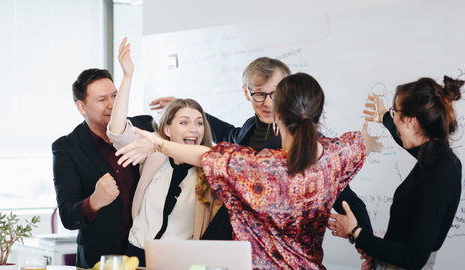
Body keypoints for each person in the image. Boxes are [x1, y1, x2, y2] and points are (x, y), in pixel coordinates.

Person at [116, 72, 376, 270]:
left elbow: (204, 155)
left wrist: (159, 143)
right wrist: (381, 119)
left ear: (278, 116)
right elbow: (361, 144)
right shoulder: (335, 156)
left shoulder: (262, 167)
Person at [151, 57, 374, 234]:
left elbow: (345, 195)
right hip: (233, 244)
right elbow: (227, 133)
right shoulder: (248, 128)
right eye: (259, 94)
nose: (267, 102)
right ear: (246, 92)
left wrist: (364, 239)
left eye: (275, 93)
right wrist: (184, 108)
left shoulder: (306, 144)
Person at [327, 76, 463, 270]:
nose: (394, 120)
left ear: (411, 120)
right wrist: (385, 119)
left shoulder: (438, 172)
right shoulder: (439, 160)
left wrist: (356, 234)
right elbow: (408, 143)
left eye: (395, 113)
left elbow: (413, 258)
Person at [107, 38, 231, 265]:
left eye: (199, 123)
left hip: (178, 263)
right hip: (135, 256)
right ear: (167, 128)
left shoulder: (210, 170)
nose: (194, 128)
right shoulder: (154, 153)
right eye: (184, 122)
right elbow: (117, 132)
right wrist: (127, 77)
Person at [52, 68, 155, 268]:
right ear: (82, 106)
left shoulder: (144, 128)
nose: (112, 105)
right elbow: (67, 216)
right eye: (102, 100)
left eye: (115, 96)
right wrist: (94, 202)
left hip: (148, 255)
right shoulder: (66, 148)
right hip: (100, 262)